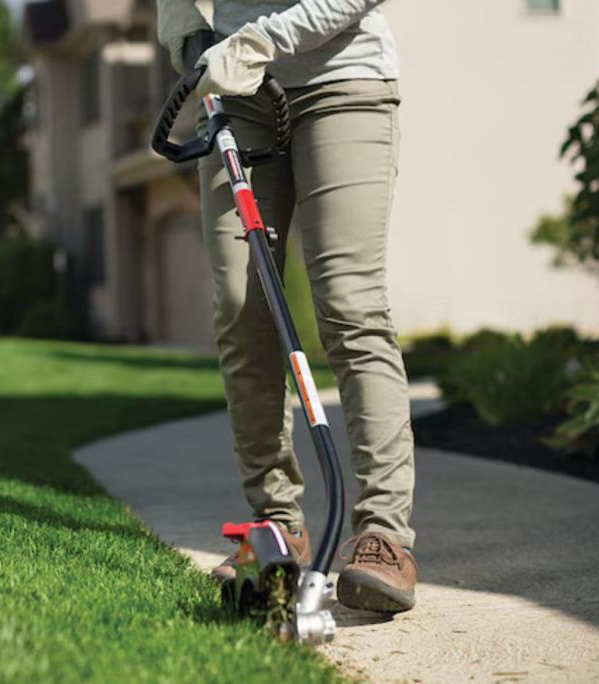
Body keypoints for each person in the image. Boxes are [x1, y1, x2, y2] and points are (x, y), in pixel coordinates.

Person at [157, 0, 417, 613]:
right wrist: (187, 38)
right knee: (243, 309)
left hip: (343, 79)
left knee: (350, 306)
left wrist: (259, 41)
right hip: (236, 93)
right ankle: (276, 524)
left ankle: (383, 533)